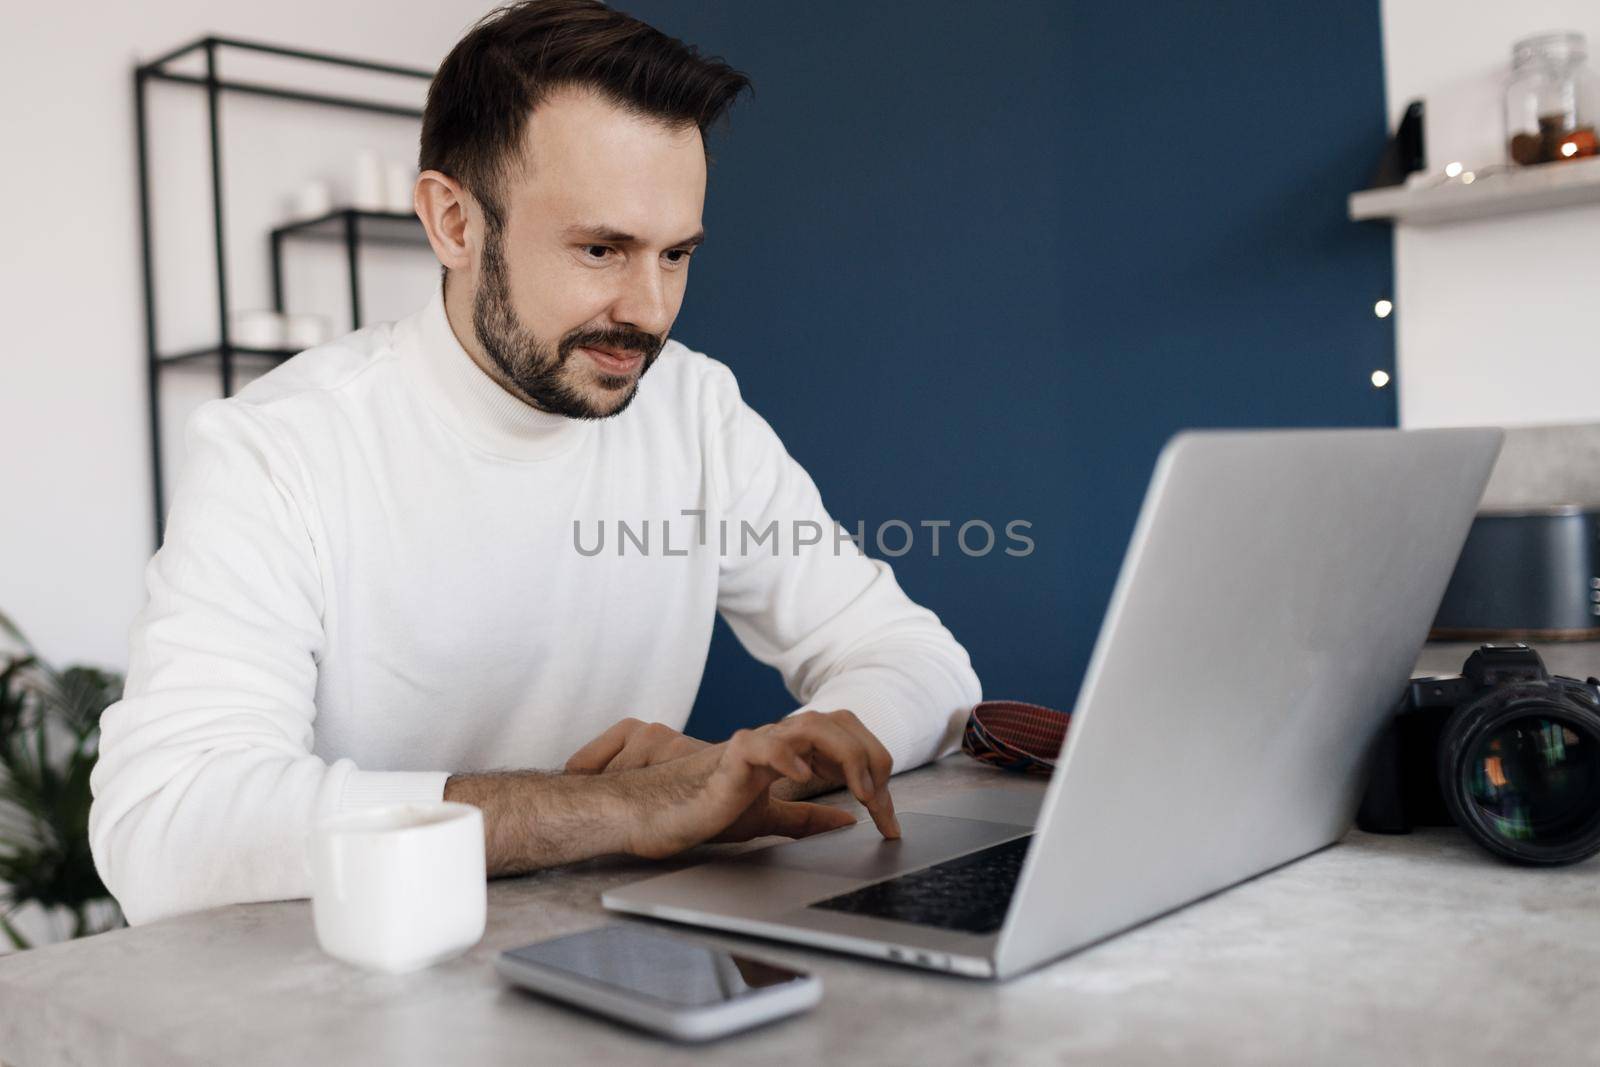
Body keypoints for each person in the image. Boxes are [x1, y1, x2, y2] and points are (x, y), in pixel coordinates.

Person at [89, 0, 981, 925]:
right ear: (453, 222)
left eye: (676, 254)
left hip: (612, 963)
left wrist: (774, 761)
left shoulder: (694, 409)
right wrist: (620, 809)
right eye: (602, 248)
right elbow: (164, 823)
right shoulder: (279, 448)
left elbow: (918, 660)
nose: (649, 309)